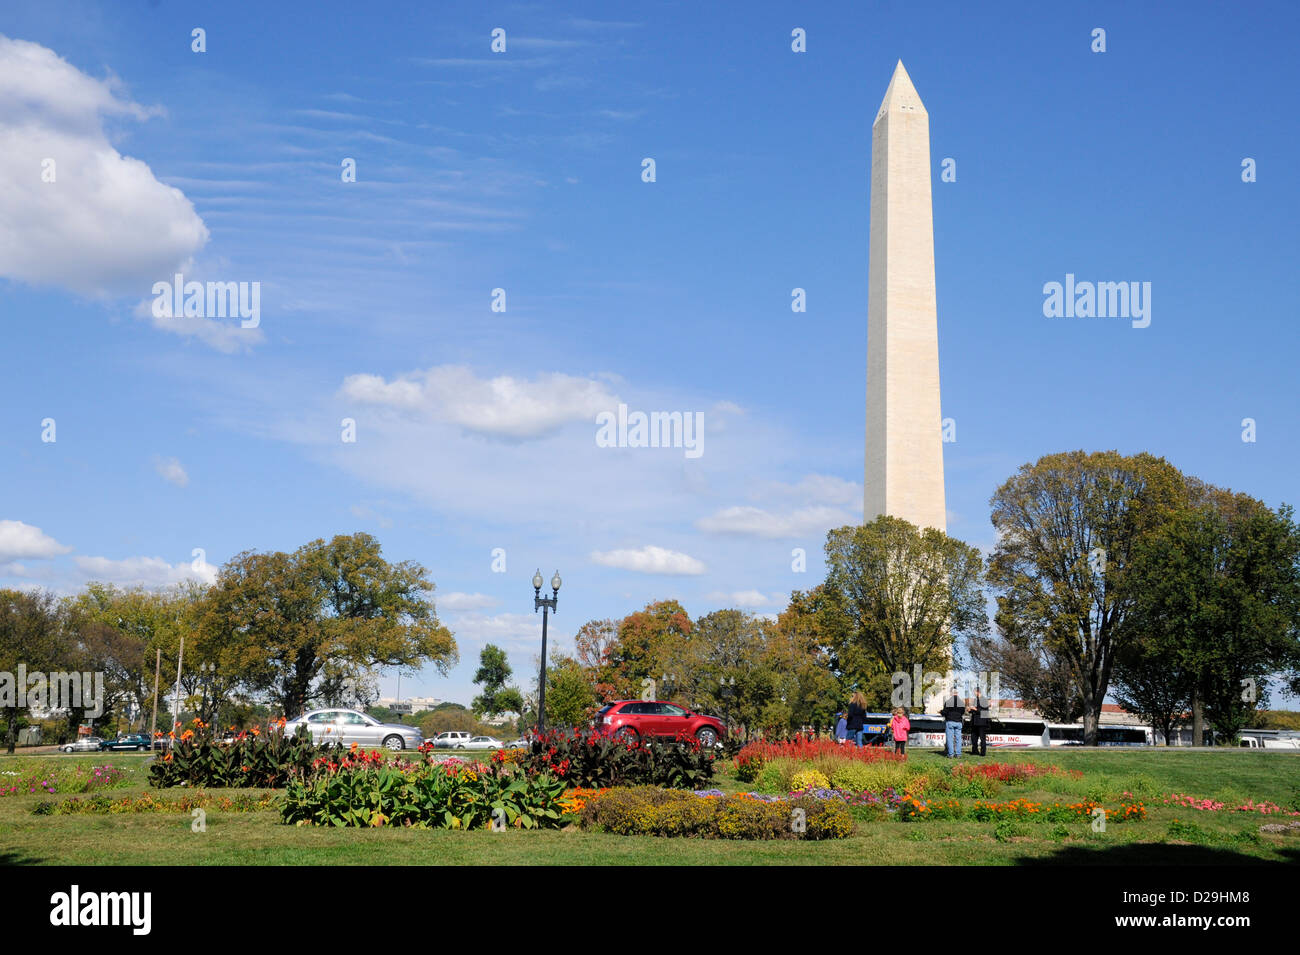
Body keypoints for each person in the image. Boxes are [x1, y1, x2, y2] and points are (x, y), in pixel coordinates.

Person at [941, 685, 965, 758]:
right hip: (958, 722)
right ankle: (958, 754)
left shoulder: (948, 702)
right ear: (957, 693)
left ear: (951, 693)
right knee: (958, 739)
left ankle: (951, 754)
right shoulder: (961, 702)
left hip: (950, 721)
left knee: (950, 738)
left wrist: (941, 712)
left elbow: (945, 712)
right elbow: (962, 712)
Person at [969, 686, 991, 756]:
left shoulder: (984, 700)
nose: (974, 694)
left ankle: (982, 753)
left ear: (978, 692)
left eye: (974, 692)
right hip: (974, 722)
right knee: (973, 738)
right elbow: (975, 710)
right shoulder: (976, 700)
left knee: (982, 739)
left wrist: (975, 709)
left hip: (981, 723)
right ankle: (975, 751)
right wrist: (970, 710)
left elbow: (984, 712)